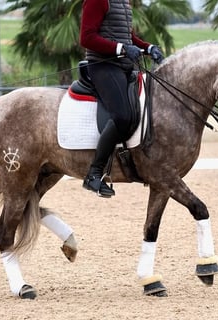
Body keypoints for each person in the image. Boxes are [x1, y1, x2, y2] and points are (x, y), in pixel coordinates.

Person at [80, 0, 164, 197]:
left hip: (124, 66)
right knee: (123, 116)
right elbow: (87, 37)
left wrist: (147, 48)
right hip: (103, 66)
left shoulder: (123, 2)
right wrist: (121, 49)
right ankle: (94, 174)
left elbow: (127, 36)